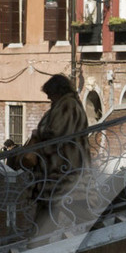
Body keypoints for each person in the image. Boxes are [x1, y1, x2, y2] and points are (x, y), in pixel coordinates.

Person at [17, 73, 90, 210]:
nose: (48, 97)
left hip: (63, 168)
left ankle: (95, 228)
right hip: (58, 170)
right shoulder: (64, 105)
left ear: (58, 91)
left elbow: (58, 133)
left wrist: (38, 134)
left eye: (50, 93)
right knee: (53, 212)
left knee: (65, 208)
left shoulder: (68, 106)